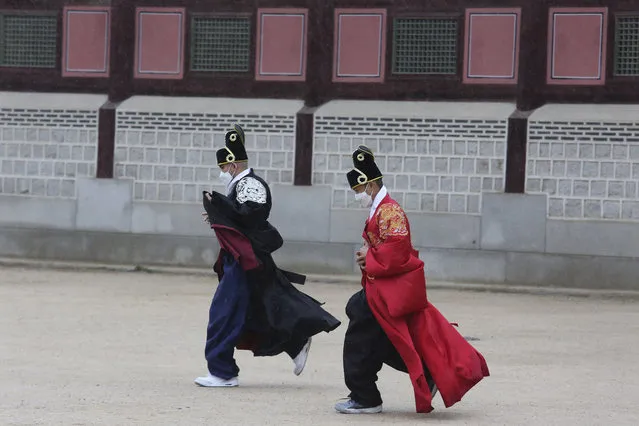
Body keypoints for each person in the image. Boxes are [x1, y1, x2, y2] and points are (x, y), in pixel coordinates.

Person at [335, 145, 489, 414]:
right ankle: (421, 374)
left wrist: (368, 255)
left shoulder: (390, 212)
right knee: (381, 337)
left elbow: (397, 251)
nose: (357, 195)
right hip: (381, 286)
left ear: (369, 185)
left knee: (361, 328)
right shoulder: (381, 210)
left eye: (358, 190)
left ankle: (365, 396)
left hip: (387, 289)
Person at [195, 124, 341, 387]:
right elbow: (238, 217)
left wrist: (219, 206)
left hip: (245, 260)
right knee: (259, 309)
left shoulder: (250, 184)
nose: (221, 173)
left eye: (223, 168)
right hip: (238, 258)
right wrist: (218, 213)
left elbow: (251, 214)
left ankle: (222, 372)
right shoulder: (240, 185)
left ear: (233, 165)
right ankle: (297, 341)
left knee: (224, 312)